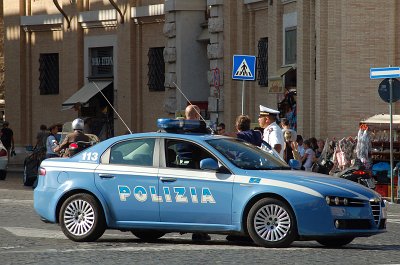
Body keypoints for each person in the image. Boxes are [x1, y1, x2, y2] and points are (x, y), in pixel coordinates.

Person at [184, 105, 211, 242]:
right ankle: (199, 232)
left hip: (179, 170)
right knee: (200, 202)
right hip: (197, 170)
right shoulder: (200, 129)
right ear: (196, 116)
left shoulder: (179, 129)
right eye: (199, 115)